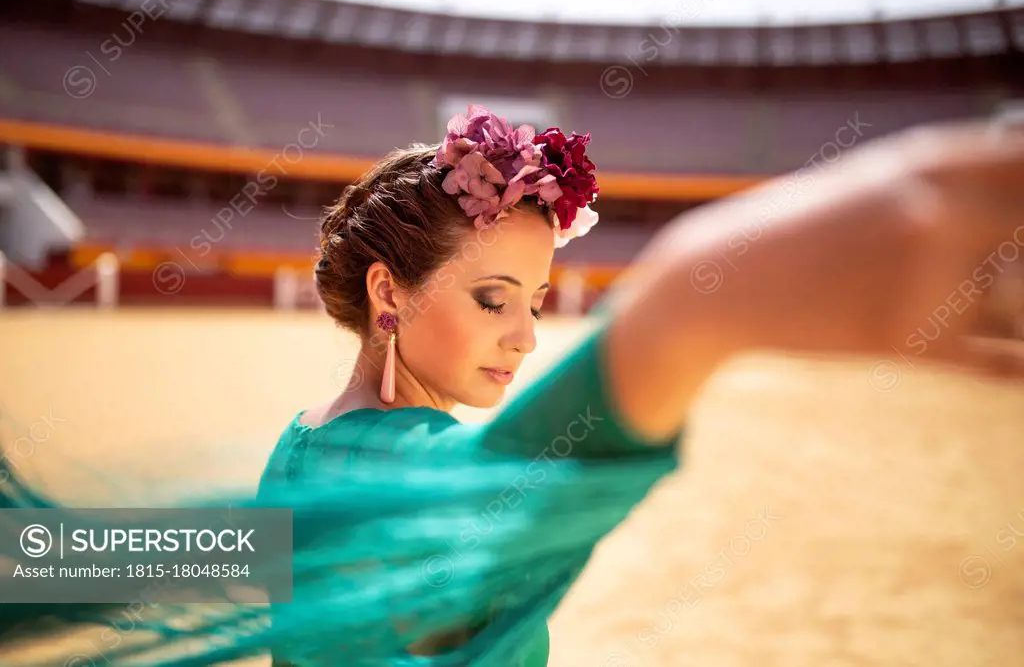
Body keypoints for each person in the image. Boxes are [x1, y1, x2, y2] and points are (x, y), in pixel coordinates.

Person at [1, 106, 1022, 667]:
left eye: (537, 299)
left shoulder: (306, 447)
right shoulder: (425, 476)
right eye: (494, 299)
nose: (529, 336)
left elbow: (120, 557)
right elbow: (526, 473)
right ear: (386, 293)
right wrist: (695, 302)